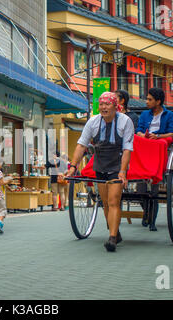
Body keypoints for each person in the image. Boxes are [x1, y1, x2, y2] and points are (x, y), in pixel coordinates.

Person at [65, 91, 134, 252]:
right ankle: (116, 232)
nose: (103, 107)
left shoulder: (125, 121)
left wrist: (123, 171)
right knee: (105, 203)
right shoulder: (93, 122)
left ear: (115, 106)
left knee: (113, 201)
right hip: (100, 164)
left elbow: (127, 149)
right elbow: (82, 145)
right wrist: (73, 167)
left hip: (117, 164)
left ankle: (111, 238)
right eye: (101, 104)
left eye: (107, 104)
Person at [135, 88, 173, 231]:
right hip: (145, 143)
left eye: (149, 99)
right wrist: (143, 136)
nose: (146, 102)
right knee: (133, 139)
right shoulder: (144, 115)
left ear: (158, 102)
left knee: (153, 192)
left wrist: (158, 136)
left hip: (160, 143)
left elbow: (172, 133)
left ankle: (152, 221)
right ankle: (146, 212)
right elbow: (138, 130)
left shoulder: (169, 115)